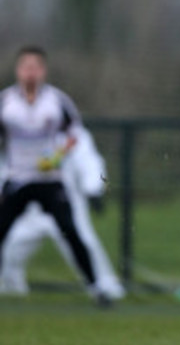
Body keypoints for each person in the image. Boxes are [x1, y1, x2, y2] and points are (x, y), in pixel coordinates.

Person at [0, 46, 110, 305]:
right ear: (18, 71)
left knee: (72, 232)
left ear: (43, 71)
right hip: (17, 179)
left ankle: (98, 289)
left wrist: (89, 182)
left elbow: (77, 139)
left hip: (50, 181)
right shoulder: (6, 103)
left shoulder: (58, 102)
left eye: (35, 67)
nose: (30, 73)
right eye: (26, 67)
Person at [0, 126, 125, 300]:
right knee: (10, 246)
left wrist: (93, 189)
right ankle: (10, 288)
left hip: (66, 204)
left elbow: (89, 161)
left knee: (84, 244)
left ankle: (106, 288)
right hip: (30, 210)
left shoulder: (73, 134)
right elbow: (9, 167)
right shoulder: (21, 129)